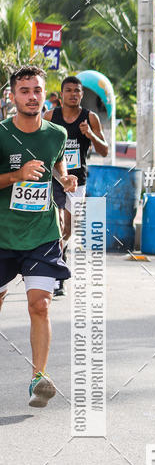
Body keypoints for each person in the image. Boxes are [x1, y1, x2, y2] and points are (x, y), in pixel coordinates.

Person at [0, 65, 77, 406]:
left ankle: (39, 378)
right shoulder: (1, 133)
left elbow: (57, 165)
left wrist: (65, 179)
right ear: (13, 96)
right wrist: (17, 174)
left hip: (42, 234)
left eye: (38, 91)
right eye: (25, 90)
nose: (32, 97)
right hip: (2, 235)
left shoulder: (56, 134)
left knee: (41, 305)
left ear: (46, 95)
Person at [43, 75, 108, 295]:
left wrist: (89, 134)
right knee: (58, 226)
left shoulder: (90, 118)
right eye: (68, 90)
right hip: (54, 178)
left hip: (77, 181)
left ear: (82, 94)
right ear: (61, 95)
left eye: (77, 91)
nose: (73, 94)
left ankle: (61, 254)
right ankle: (55, 275)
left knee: (68, 230)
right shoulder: (50, 116)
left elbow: (104, 150)